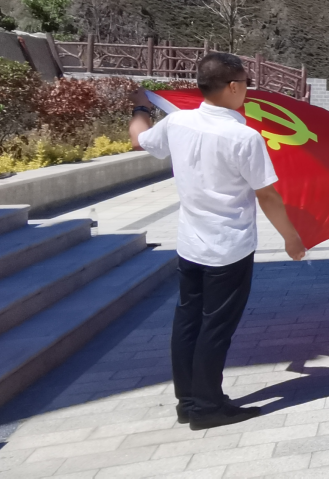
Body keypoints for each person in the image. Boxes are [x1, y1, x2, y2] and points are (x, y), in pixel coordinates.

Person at [129, 52, 305, 430]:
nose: (247, 90)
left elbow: (140, 139)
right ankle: (208, 407)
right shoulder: (243, 136)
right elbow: (267, 195)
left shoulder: (178, 122)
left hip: (191, 244)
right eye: (246, 83)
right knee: (216, 326)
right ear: (233, 86)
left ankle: (188, 401)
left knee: (188, 320)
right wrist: (291, 238)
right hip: (229, 247)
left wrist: (140, 107)